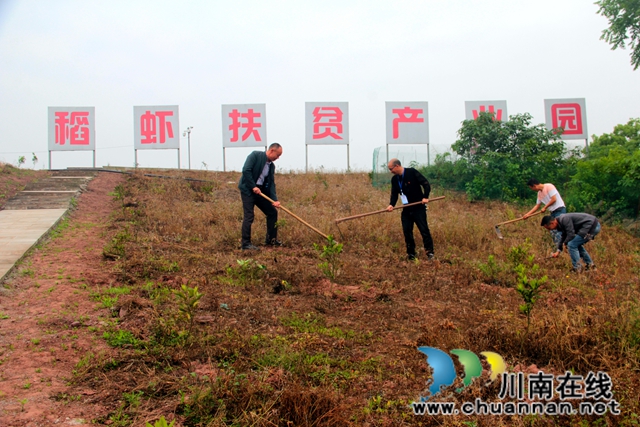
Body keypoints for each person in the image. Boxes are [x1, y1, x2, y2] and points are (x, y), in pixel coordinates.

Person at [386, 158, 434, 261]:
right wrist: (391, 205)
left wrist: (425, 197)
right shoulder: (395, 179)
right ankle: (411, 254)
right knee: (407, 231)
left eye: (391, 169)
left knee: (424, 230)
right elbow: (394, 193)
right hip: (406, 209)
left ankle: (429, 252)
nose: (391, 171)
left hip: (418, 208)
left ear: (397, 166)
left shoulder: (412, 172)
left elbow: (426, 184)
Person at [238, 143, 283, 250]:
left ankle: (271, 240)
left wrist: (274, 200)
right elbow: (246, 170)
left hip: (260, 192)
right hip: (248, 190)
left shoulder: (271, 166)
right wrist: (253, 186)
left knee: (272, 212)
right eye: (277, 155)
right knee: (249, 216)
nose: (278, 158)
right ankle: (246, 244)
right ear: (272, 150)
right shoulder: (255, 155)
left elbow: (271, 183)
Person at [523, 178, 566, 244]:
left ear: (534, 186)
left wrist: (545, 207)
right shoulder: (539, 194)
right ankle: (558, 249)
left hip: (560, 210)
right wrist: (527, 215)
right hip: (553, 212)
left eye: (531, 188)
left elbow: (554, 199)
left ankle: (561, 248)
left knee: (558, 231)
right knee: (552, 231)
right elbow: (537, 206)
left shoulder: (549, 186)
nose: (532, 190)